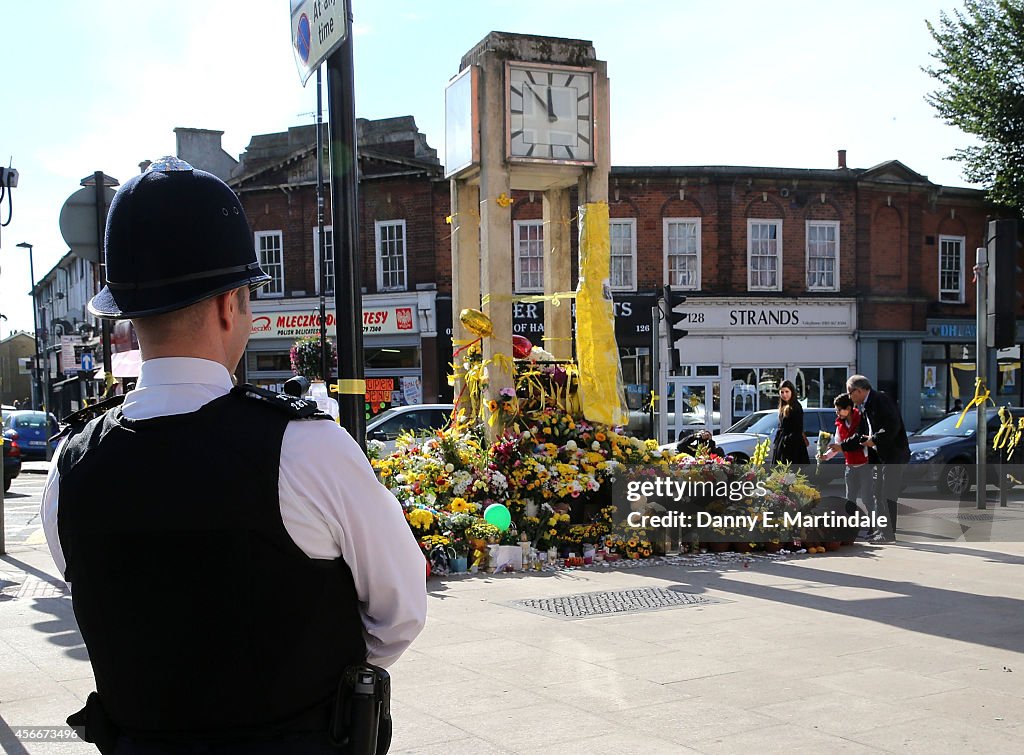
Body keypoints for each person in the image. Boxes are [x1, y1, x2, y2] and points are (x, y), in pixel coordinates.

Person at [40, 158, 426, 754]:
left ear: (127, 313)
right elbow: (400, 613)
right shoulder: (306, 447)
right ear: (229, 305)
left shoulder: (70, 469)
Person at [842, 374, 910, 542]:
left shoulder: (881, 400)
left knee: (887, 494)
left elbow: (892, 425)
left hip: (892, 455)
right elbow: (861, 433)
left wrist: (875, 440)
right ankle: (883, 532)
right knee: (877, 494)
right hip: (879, 457)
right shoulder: (866, 405)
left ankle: (887, 534)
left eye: (850, 394)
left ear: (858, 390)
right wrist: (842, 446)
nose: (850, 398)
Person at [827, 393, 877, 538]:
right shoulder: (840, 424)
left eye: (839, 410)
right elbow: (837, 444)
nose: (837, 413)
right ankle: (851, 528)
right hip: (850, 466)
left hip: (864, 465)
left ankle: (874, 527)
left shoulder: (860, 419)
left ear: (848, 408)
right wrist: (826, 456)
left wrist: (840, 447)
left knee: (867, 498)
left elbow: (856, 441)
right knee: (850, 500)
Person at [771, 379, 809, 465]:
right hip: (783, 442)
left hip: (792, 445)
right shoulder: (782, 406)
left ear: (792, 392)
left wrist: (786, 441)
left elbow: (798, 428)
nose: (784, 394)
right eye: (782, 392)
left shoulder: (795, 407)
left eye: (787, 391)